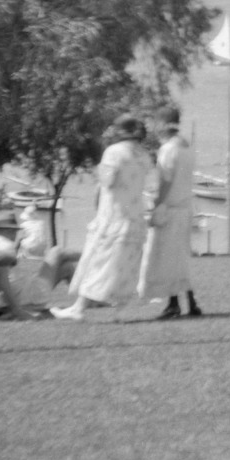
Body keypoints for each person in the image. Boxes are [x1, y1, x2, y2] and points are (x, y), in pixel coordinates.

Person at [52, 116, 154, 321]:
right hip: (135, 216)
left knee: (98, 262)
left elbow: (107, 181)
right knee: (126, 265)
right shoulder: (144, 155)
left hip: (113, 216)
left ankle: (79, 308)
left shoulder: (114, 152)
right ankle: (121, 309)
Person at [140, 105, 203, 319]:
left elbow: (165, 182)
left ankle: (174, 303)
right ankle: (189, 302)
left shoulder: (168, 149)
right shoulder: (187, 146)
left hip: (171, 208)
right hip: (185, 208)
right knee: (180, 258)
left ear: (163, 124)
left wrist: (157, 206)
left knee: (167, 258)